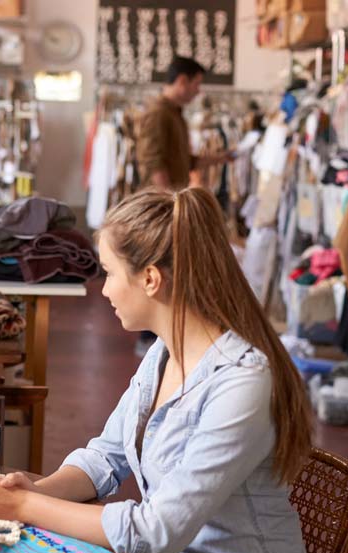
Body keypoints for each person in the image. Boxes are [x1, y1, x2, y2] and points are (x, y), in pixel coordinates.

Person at [0, 188, 315, 553]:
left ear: (150, 280)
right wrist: (32, 491)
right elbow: (105, 456)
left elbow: (155, 531)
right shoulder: (164, 353)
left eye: (110, 273)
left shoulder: (242, 383)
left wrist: (21, 508)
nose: (104, 290)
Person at [134, 56, 235, 357]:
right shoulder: (158, 114)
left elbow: (183, 160)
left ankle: (160, 333)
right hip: (162, 206)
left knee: (167, 268)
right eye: (196, 84)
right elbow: (154, 162)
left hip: (170, 201)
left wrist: (219, 159)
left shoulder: (174, 114)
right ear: (181, 82)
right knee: (157, 267)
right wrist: (167, 204)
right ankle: (148, 335)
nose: (197, 91)